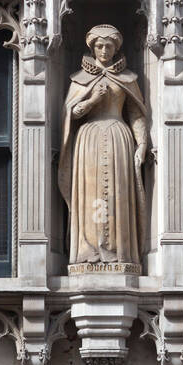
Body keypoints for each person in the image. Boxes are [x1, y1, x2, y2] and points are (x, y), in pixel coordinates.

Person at [58, 25, 148, 270]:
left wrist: (141, 144)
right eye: (99, 46)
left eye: (109, 46)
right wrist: (93, 101)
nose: (104, 50)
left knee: (116, 194)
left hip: (120, 138)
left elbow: (136, 114)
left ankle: (118, 252)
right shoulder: (79, 78)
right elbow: (71, 113)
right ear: (92, 47)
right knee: (90, 195)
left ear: (116, 48)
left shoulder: (128, 78)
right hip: (88, 141)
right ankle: (89, 252)